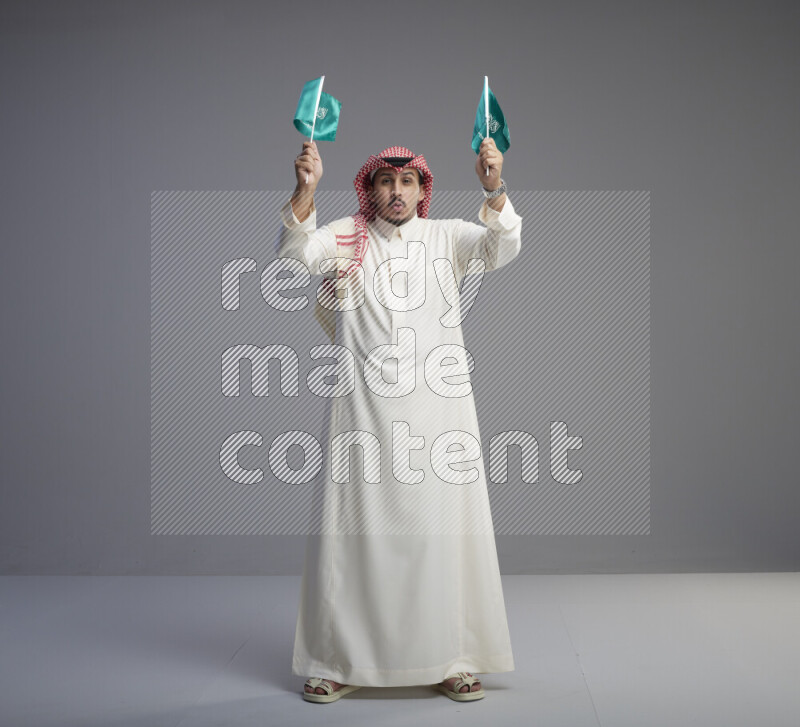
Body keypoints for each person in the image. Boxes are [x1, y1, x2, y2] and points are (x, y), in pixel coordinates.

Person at [276, 138, 522, 703]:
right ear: (370, 187)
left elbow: (502, 246)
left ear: (421, 189)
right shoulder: (347, 235)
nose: (396, 191)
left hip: (439, 413)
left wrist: (494, 186)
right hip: (360, 411)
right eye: (386, 181)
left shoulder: (448, 236)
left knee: (440, 539)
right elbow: (294, 255)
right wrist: (305, 190)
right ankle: (334, 661)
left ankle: (453, 657)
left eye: (407, 181)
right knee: (354, 539)